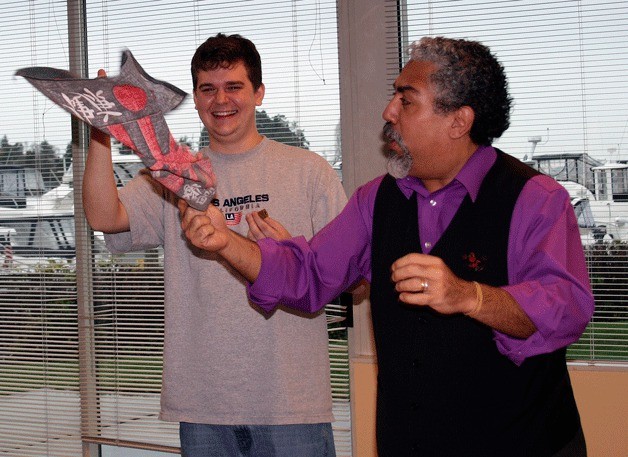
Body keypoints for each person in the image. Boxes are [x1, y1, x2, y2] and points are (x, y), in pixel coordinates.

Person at [179, 36, 595, 457]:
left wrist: (470, 295)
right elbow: (307, 276)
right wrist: (226, 243)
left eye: (406, 100)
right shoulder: (376, 200)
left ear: (458, 121)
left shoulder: (534, 197)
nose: (388, 112)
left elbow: (564, 308)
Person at [83, 33, 346, 457]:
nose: (220, 99)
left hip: (291, 407)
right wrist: (100, 135)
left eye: (234, 86)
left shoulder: (309, 172)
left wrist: (293, 252)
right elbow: (103, 216)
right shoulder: (173, 175)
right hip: (203, 406)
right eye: (207, 89)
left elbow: (352, 279)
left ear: (259, 93)